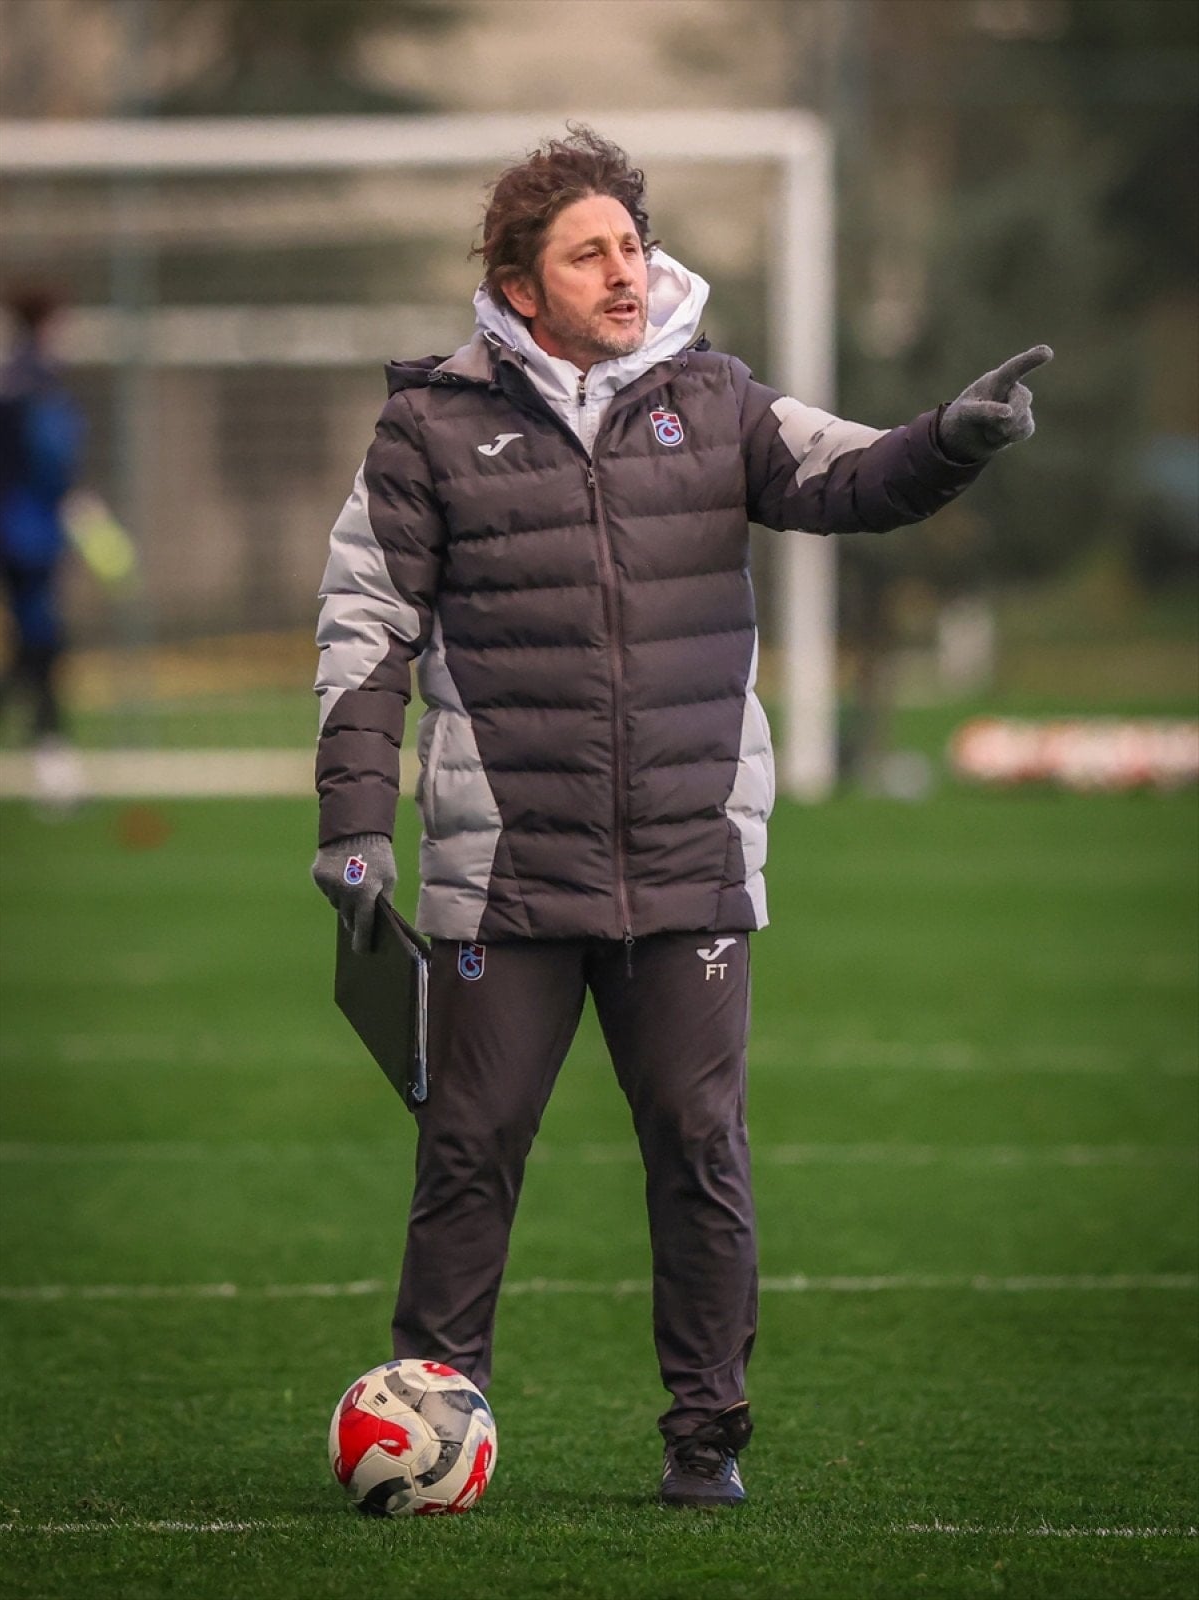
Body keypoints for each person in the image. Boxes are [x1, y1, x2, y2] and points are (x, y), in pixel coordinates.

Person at [312, 126, 1050, 1508]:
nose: (625, 272)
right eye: (588, 254)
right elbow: (365, 633)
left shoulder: (717, 400)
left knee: (700, 1151)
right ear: (521, 287)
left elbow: (855, 473)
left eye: (632, 247)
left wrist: (950, 440)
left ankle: (706, 1439)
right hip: (505, 872)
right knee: (467, 1151)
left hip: (689, 859)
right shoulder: (428, 426)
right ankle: (429, 1420)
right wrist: (353, 822)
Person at [0, 285, 84, 759]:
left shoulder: (12, 379)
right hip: (27, 531)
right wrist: (72, 502)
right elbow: (53, 456)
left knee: (35, 641)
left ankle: (51, 748)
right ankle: (52, 750)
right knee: (42, 640)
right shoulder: (37, 385)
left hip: (19, 527)